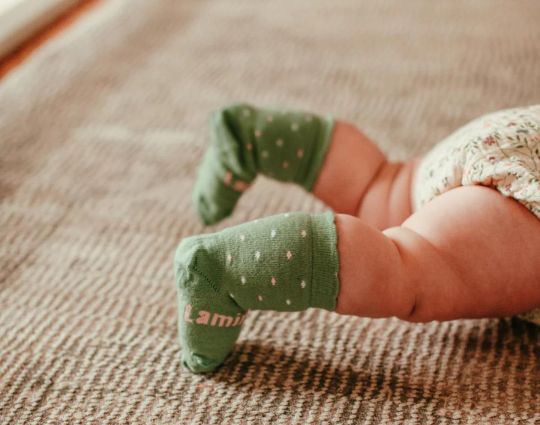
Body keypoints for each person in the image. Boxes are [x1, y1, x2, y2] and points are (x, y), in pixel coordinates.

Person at [175, 103, 540, 373]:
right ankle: (225, 271)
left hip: (512, 133)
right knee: (410, 264)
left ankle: (252, 138)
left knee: (379, 185)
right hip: (527, 204)